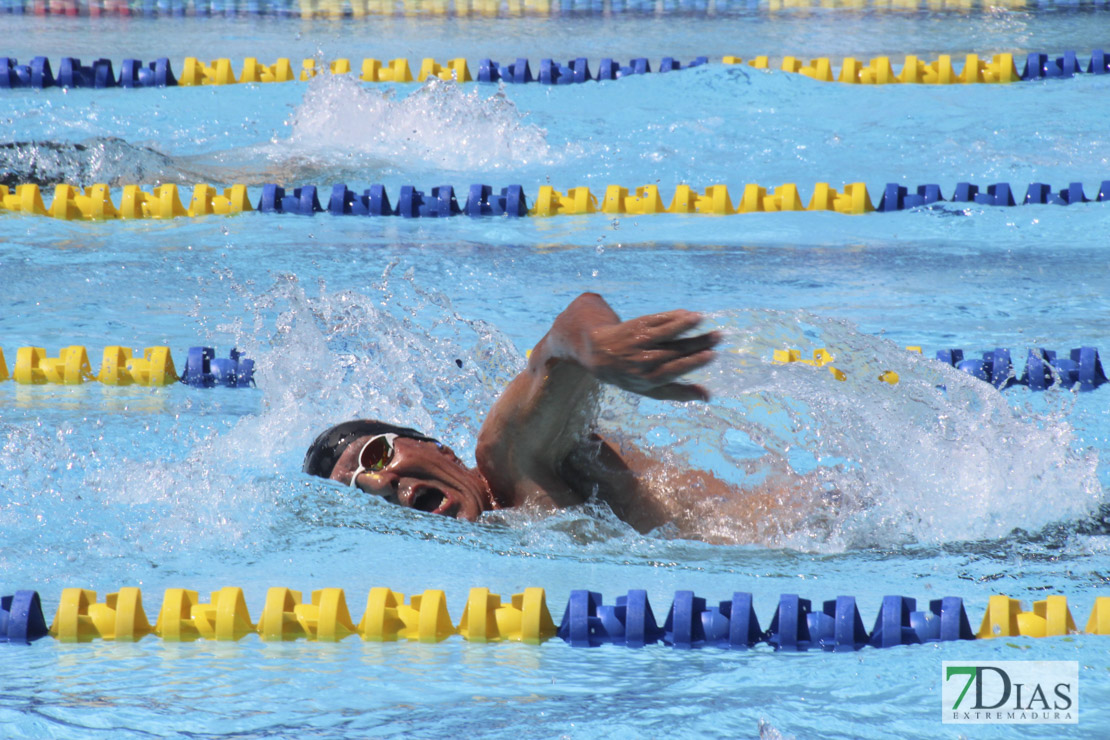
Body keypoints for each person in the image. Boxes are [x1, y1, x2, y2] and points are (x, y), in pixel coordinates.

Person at [304, 292, 819, 543]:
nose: (380, 484)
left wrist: (598, 348)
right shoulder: (502, 533)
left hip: (822, 524)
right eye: (360, 489)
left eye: (376, 455)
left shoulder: (507, 459)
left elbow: (562, 334)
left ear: (437, 446)